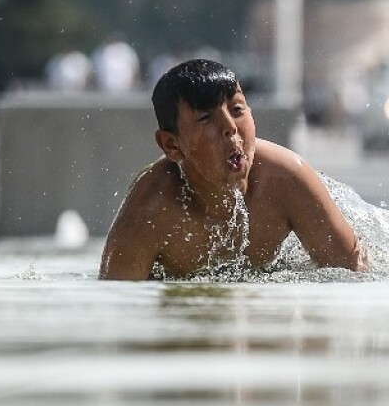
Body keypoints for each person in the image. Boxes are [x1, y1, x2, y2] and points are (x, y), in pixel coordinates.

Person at [99, 58, 367, 280]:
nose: (230, 127)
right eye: (205, 118)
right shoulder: (150, 212)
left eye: (237, 109)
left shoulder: (286, 178)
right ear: (171, 145)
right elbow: (117, 306)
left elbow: (355, 275)